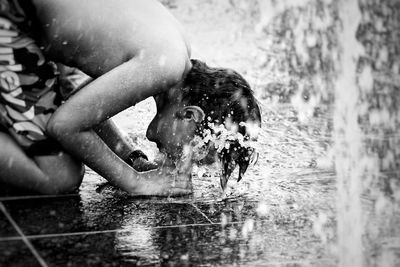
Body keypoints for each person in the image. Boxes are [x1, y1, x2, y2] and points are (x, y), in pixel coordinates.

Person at [0, 0, 261, 196]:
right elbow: (64, 125)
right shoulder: (164, 67)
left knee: (65, 85)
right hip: (12, 16)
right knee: (60, 176)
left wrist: (132, 159)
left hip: (31, 19)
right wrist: (135, 182)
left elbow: (81, 103)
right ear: (191, 115)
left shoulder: (174, 54)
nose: (187, 160)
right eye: (198, 149)